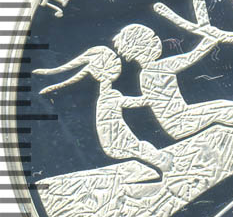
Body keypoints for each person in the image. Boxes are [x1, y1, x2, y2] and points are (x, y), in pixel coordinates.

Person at [34, 46, 172, 176]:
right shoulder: (110, 96)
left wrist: (148, 99)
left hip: (114, 138)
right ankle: (162, 164)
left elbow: (130, 103)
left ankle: (162, 165)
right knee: (140, 149)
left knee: (140, 149)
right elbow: (132, 102)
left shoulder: (108, 96)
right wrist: (150, 98)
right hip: (116, 137)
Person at [112, 24, 233, 140]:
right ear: (141, 48)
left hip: (175, 123)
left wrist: (125, 101)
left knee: (222, 105)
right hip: (181, 123)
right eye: (152, 39)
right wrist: (212, 38)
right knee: (224, 109)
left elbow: (147, 100)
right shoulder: (160, 67)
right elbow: (191, 57)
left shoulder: (144, 75)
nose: (158, 41)